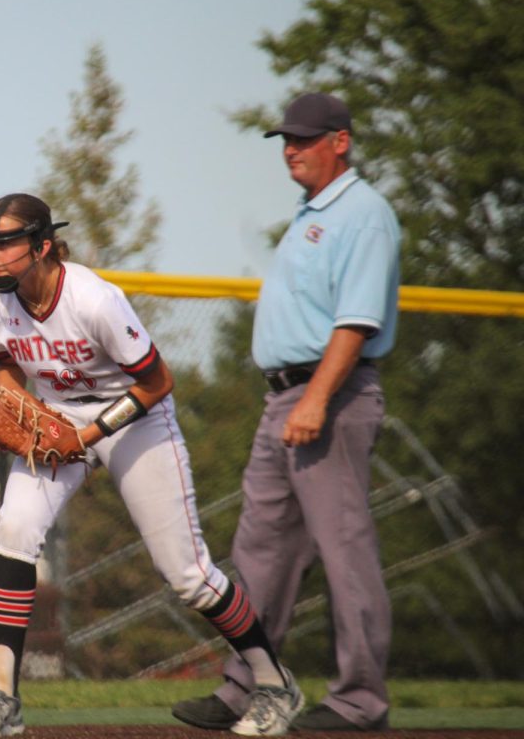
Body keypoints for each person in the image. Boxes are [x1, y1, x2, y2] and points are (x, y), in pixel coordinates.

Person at [0, 193, 303, 737]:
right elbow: (4, 368)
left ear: (43, 245)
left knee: (187, 576)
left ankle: (274, 682)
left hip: (136, 419)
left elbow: (157, 381)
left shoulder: (94, 300)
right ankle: (2, 698)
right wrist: (23, 410)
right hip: (58, 416)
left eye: (5, 243)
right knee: (15, 529)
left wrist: (89, 436)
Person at [172, 92, 401, 733]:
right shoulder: (310, 213)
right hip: (286, 400)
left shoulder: (364, 214)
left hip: (329, 398)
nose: (291, 149)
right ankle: (251, 687)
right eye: (285, 140)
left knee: (343, 551)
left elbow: (357, 323)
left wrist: (318, 399)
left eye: (304, 138)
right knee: (259, 553)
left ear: (341, 141)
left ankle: (360, 702)